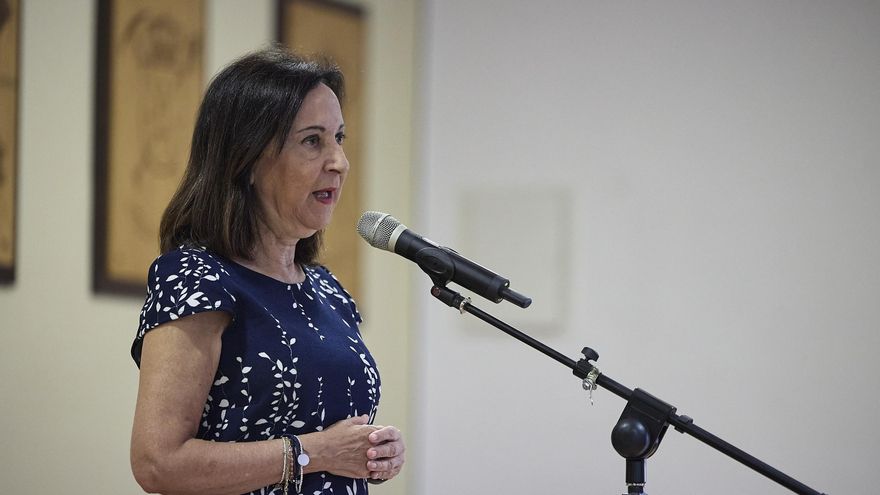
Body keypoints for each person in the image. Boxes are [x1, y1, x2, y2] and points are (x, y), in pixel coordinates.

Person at [129, 46, 405, 495]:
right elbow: (158, 463)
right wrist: (317, 452)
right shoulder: (197, 278)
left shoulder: (328, 290)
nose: (339, 161)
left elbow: (336, 441)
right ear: (249, 159)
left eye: (339, 138)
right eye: (312, 141)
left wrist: (375, 452)